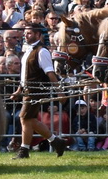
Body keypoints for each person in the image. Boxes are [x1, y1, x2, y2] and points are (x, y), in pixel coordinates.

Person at [16, 23, 69, 158]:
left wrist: (60, 92)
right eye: (25, 33)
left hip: (35, 91)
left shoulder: (42, 51)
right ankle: (56, 142)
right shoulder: (28, 50)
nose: (26, 35)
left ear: (38, 35)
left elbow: (50, 73)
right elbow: (25, 74)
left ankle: (25, 151)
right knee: (29, 120)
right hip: (27, 90)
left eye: (29, 33)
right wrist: (18, 90)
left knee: (24, 118)